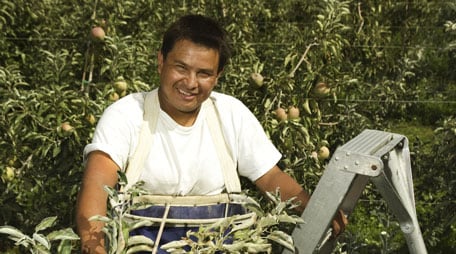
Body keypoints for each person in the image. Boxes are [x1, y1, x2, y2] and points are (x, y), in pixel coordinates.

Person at [76, 14, 347, 253]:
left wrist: (316, 210)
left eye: (204, 73)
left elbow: (271, 177)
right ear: (161, 62)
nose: (190, 83)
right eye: (181, 68)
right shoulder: (127, 115)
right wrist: (94, 245)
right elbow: (96, 188)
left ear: (217, 76)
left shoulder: (230, 113)